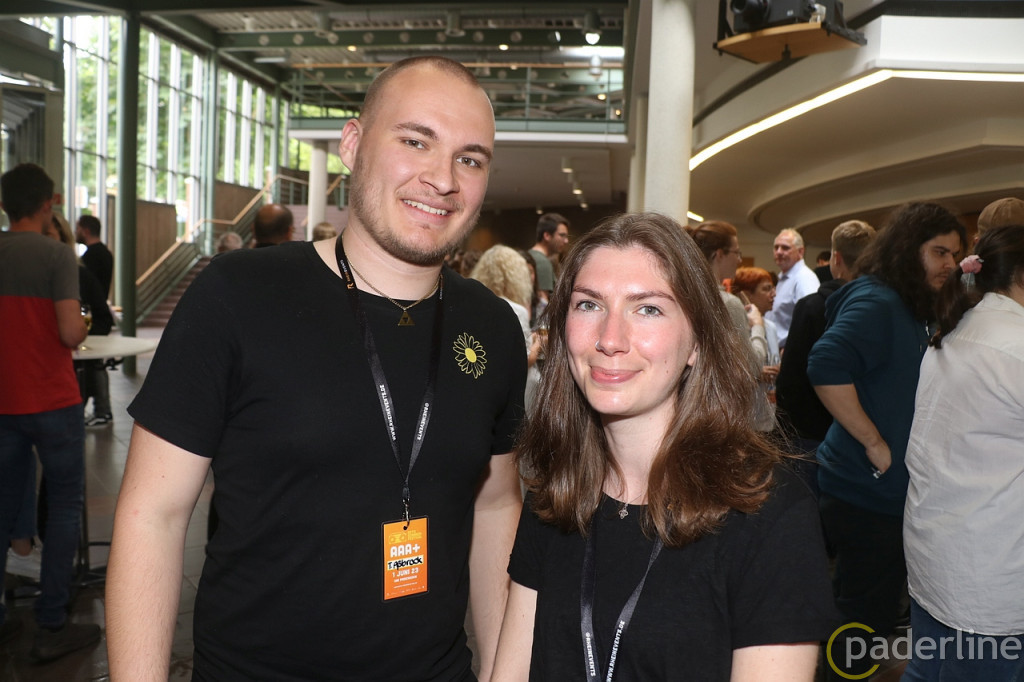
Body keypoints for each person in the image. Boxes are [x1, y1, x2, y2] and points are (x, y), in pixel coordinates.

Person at [107, 56, 526, 681]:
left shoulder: (491, 326)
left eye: (469, 159)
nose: (442, 179)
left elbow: (495, 506)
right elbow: (154, 514)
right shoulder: (238, 295)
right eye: (415, 141)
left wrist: (502, 672)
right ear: (352, 145)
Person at [493, 212, 838, 681]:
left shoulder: (771, 515)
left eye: (648, 309)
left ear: (696, 341)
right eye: (589, 304)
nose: (610, 339)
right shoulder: (557, 491)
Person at [808, 203, 966, 680]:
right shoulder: (880, 302)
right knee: (863, 618)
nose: (949, 264)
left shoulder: (908, 301)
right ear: (908, 249)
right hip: (864, 493)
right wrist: (873, 441)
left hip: (877, 491)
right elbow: (825, 364)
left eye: (955, 254)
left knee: (868, 615)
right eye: (939, 252)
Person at [902, 224, 1024, 682]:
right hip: (989, 570)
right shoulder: (1015, 345)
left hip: (938, 553)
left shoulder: (953, 332)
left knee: (928, 668)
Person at [0, 163, 100, 660]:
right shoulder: (58, 254)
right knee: (63, 506)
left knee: (2, 506)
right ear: (47, 205)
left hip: (3, 401)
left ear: (4, 205)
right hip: (52, 399)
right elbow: (68, 331)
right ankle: (52, 623)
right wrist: (80, 326)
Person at [776, 220, 875, 456]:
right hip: (865, 429)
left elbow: (792, 378)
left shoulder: (813, 306)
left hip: (812, 433)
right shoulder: (885, 307)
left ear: (836, 258)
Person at [469, 244, 544, 410]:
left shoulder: (475, 305)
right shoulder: (516, 310)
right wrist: (538, 343)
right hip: (521, 388)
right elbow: (524, 360)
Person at [686, 220, 769, 368]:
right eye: (736, 253)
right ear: (719, 254)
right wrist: (758, 326)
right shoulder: (728, 303)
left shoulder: (686, 294)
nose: (739, 260)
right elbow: (751, 366)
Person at [74, 213, 115, 425]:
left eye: (78, 228)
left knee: (93, 364)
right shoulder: (106, 253)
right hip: (99, 313)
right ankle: (102, 409)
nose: (76, 232)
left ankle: (101, 410)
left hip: (92, 315)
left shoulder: (89, 258)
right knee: (97, 363)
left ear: (86, 230)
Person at [730, 266, 779, 431]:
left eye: (773, 288)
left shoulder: (771, 327)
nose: (774, 294)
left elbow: (772, 359)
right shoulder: (738, 327)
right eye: (766, 289)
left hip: (768, 416)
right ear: (747, 294)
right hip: (744, 420)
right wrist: (756, 372)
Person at [766, 228, 820, 348]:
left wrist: (790, 350)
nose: (779, 252)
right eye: (776, 247)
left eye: (785, 248)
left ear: (800, 252)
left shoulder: (804, 278)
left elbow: (810, 321)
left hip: (789, 351)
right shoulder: (784, 277)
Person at [527, 212, 570, 301]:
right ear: (547, 236)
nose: (566, 241)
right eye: (562, 235)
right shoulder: (542, 262)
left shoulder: (529, 255)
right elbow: (543, 301)